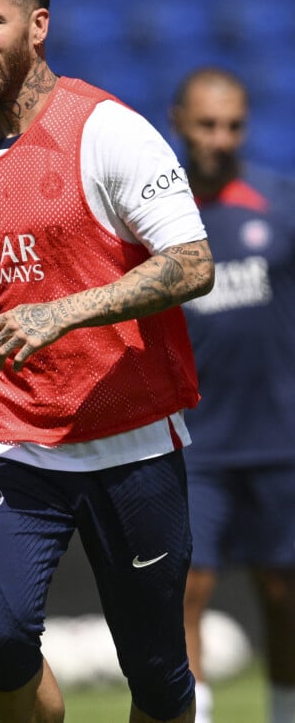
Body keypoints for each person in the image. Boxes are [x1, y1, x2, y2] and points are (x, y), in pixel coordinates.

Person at [0, 0, 215, 723]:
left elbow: (191, 263)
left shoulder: (109, 131)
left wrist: (65, 310)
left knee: (156, 674)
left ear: (38, 24)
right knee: (4, 634)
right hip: (13, 443)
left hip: (132, 444)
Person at [169, 67, 295, 723]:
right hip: (197, 440)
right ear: (179, 122)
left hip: (280, 435)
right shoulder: (160, 217)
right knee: (190, 588)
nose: (220, 137)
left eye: (233, 125)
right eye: (206, 123)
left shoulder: (281, 204)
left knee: (284, 593)